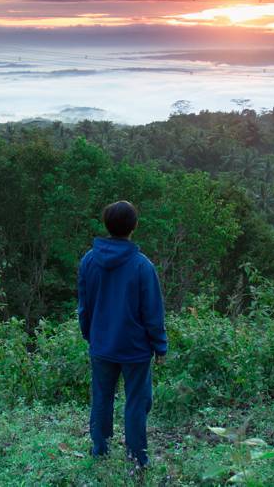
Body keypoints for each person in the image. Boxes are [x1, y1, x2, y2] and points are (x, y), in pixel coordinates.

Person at [77, 200, 168, 468]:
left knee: (102, 397)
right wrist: (160, 346)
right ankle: (137, 456)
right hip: (135, 349)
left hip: (102, 345)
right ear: (134, 226)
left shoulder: (89, 260)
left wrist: (90, 335)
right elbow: (153, 313)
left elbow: (84, 306)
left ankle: (100, 448)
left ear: (106, 225)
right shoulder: (141, 266)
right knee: (137, 401)